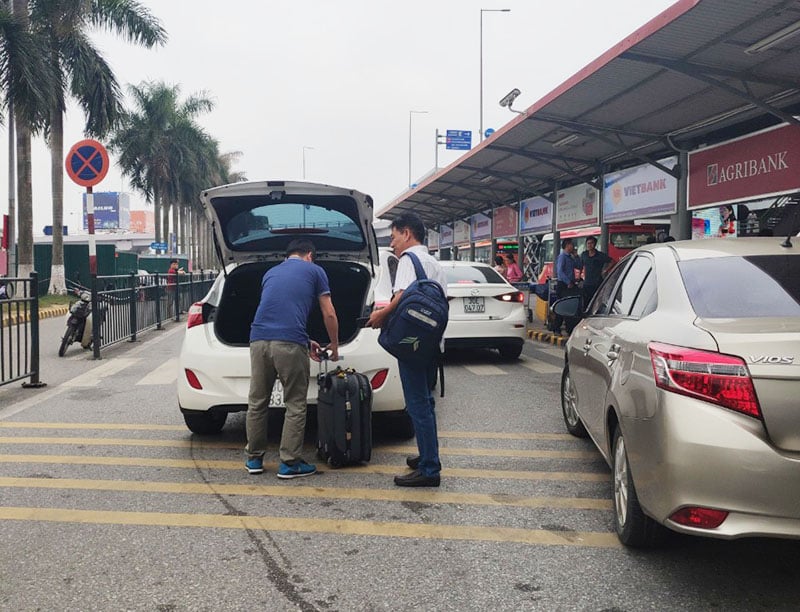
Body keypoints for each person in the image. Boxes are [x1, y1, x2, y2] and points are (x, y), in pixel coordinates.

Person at [245, 239, 339, 479]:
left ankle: (254, 459)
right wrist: (334, 345)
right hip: (288, 343)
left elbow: (277, 310)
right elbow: (328, 312)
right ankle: (290, 463)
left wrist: (306, 341)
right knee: (295, 403)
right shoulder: (315, 270)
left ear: (288, 256)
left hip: (258, 341)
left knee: (257, 402)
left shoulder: (270, 273)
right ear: (309, 255)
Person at [366, 212, 446, 488]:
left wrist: (380, 317)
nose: (393, 242)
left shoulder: (408, 261)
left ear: (407, 233)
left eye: (394, 236)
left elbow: (399, 299)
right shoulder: (433, 262)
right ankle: (427, 455)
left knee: (417, 404)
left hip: (412, 345)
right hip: (432, 342)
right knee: (426, 401)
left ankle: (429, 468)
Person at [552, 238, 582, 335]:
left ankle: (570, 328)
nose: (572, 247)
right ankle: (556, 328)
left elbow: (579, 266)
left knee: (570, 307)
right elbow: (560, 271)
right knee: (562, 306)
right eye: (571, 245)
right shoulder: (562, 257)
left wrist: (576, 256)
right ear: (567, 245)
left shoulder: (570, 257)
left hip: (571, 284)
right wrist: (568, 281)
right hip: (564, 285)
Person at [579, 236, 613, 305]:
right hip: (587, 283)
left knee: (596, 302)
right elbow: (581, 266)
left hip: (597, 283)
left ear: (595, 244)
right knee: (586, 302)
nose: (589, 245)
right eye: (588, 243)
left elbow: (612, 261)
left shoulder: (600, 255)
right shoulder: (584, 255)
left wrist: (606, 270)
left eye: (591, 243)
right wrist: (580, 276)